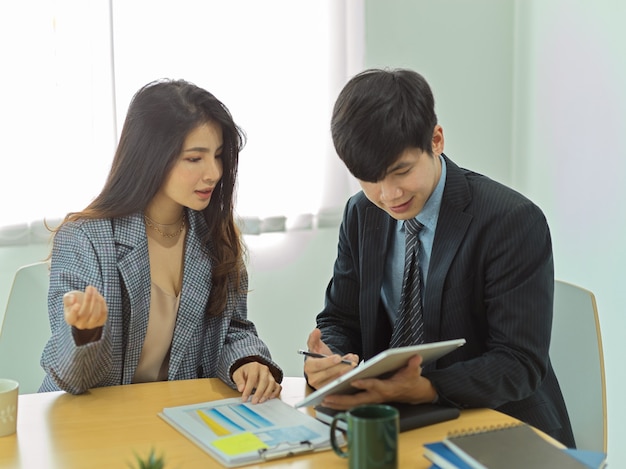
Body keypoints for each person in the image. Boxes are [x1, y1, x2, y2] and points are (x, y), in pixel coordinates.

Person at [303, 68, 575, 447]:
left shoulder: (510, 220)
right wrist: (330, 358)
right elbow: (340, 317)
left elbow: (519, 363)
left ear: (436, 139)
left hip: (499, 425)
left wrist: (427, 387)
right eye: (369, 179)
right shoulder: (362, 213)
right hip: (401, 420)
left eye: (401, 171)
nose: (388, 194)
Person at [39, 79, 283, 402]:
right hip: (91, 422)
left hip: (175, 416)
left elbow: (233, 328)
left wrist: (248, 360)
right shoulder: (85, 239)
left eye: (218, 156)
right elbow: (70, 377)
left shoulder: (215, 235)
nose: (213, 173)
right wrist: (85, 333)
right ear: (152, 157)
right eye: (195, 159)